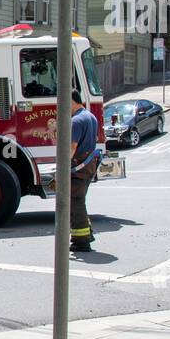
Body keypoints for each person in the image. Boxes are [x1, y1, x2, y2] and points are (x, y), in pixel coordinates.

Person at [68, 89, 101, 252]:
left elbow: (72, 147)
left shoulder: (75, 121)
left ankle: (81, 241)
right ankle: (87, 233)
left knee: (75, 202)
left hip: (78, 167)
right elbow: (94, 139)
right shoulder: (91, 117)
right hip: (88, 166)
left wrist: (62, 166)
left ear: (71, 101)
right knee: (79, 200)